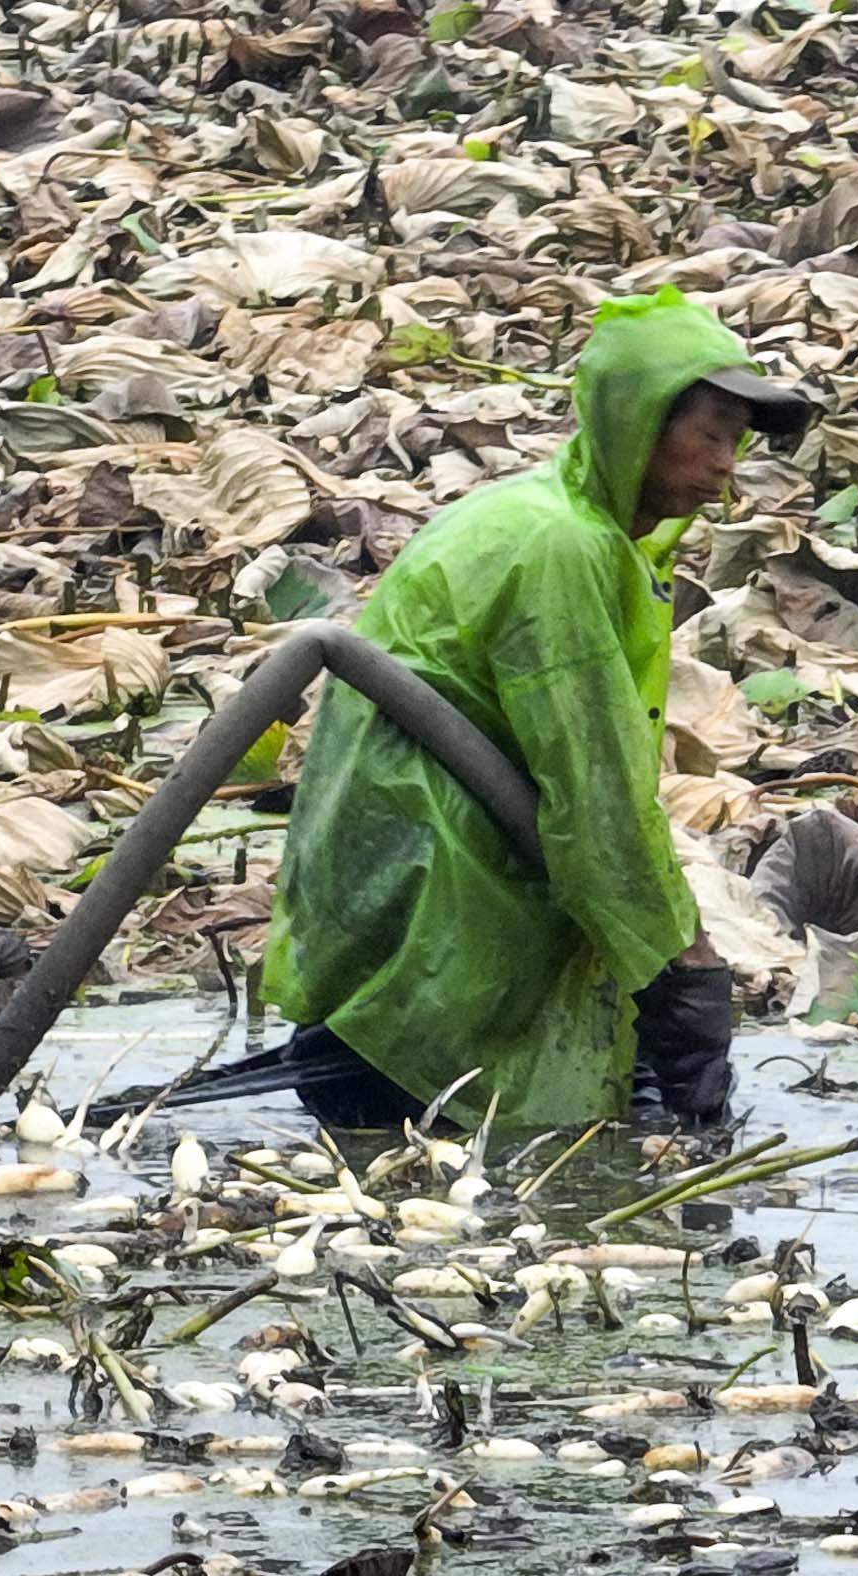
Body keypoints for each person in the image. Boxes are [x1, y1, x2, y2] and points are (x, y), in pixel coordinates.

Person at [255, 287, 815, 1132]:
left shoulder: (569, 520)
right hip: (433, 899)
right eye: (711, 436)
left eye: (737, 442)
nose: (727, 465)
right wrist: (683, 969)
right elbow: (594, 797)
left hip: (398, 893)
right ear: (638, 421)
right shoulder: (562, 544)